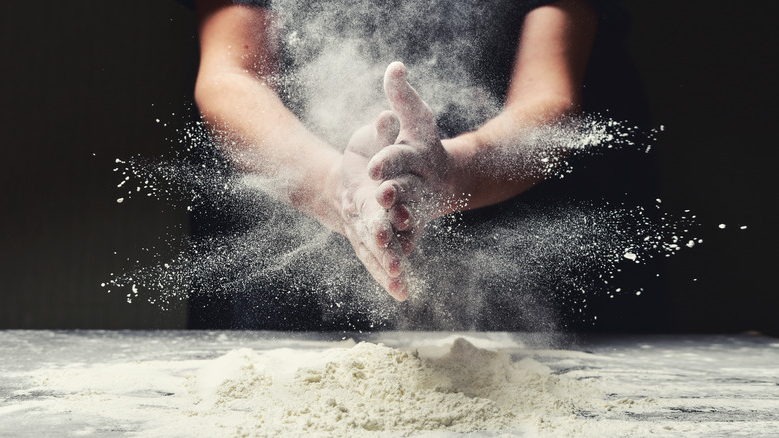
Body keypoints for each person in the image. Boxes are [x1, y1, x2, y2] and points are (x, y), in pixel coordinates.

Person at [188, 0, 668, 331]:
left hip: (518, 224)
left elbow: (549, 98)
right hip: (295, 258)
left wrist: (450, 173)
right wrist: (336, 188)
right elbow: (231, 79)